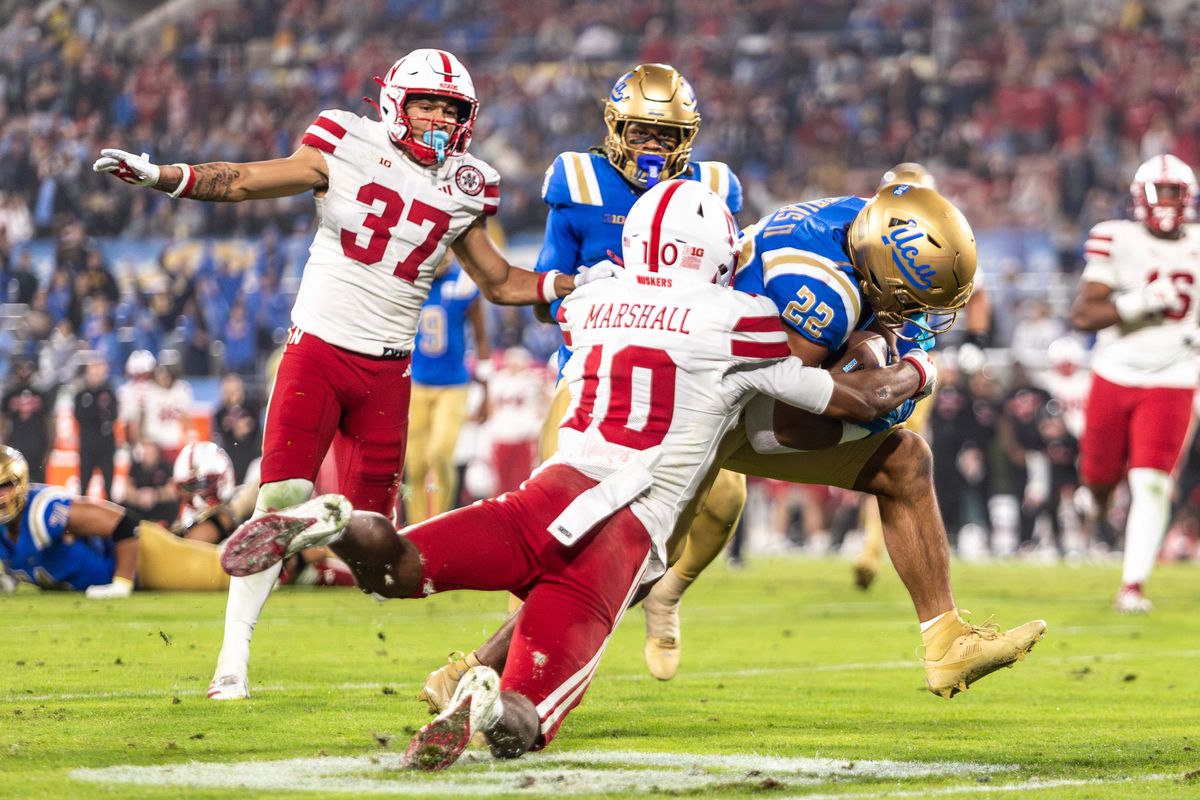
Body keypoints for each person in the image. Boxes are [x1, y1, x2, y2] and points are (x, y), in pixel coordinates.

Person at [219, 181, 933, 769]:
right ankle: (491, 702)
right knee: (525, 725)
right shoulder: (743, 320)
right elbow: (863, 398)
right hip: (616, 540)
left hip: (544, 496)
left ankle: (331, 521)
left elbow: (554, 293)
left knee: (397, 569)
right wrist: (915, 360)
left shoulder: (592, 301)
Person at [94, 47, 599, 700]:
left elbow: (499, 281)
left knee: (376, 559)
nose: (439, 118)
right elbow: (248, 179)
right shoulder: (344, 140)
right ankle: (231, 661)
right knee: (275, 500)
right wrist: (165, 175)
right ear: (394, 102)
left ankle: (317, 523)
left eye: (451, 108)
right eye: (427, 103)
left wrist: (574, 282)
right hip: (319, 354)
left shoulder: (466, 182)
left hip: (388, 375)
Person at [425, 182, 1047, 706]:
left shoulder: (857, 221)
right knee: (625, 567)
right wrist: (908, 378)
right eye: (911, 301)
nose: (919, 316)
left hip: (721, 383)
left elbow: (856, 343)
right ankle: (473, 672)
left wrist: (879, 348)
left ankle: (946, 642)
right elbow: (791, 418)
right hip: (707, 408)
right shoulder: (820, 289)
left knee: (906, 463)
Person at [531, 63, 748, 680]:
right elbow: (548, 291)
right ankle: (516, 655)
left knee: (728, 493)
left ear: (688, 140)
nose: (652, 148)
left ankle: (668, 592)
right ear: (615, 127)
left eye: (666, 136)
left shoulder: (714, 189)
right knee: (555, 507)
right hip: (599, 362)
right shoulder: (578, 182)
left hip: (682, 372)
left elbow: (733, 283)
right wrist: (582, 285)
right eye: (640, 132)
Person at [1069, 153, 1200, 613]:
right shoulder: (1115, 237)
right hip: (1115, 372)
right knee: (1099, 481)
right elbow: (1084, 314)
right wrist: (1138, 302)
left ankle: (1132, 585)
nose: (1166, 202)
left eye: (1174, 193)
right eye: (1160, 192)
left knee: (1151, 482)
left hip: (1175, 377)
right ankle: (1096, 506)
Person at [0, 445, 229, 597]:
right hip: (118, 572)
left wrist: (121, 583)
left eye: (5, 486)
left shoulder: (44, 512)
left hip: (142, 558)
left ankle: (246, 532)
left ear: (20, 483)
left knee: (226, 574)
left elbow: (125, 524)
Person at [403, 254, 490, 524]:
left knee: (439, 455)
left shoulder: (463, 283)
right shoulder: (412, 280)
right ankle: (415, 527)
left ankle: (439, 521)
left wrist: (485, 390)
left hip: (453, 385)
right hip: (416, 383)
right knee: (414, 464)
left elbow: (481, 337)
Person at [73, 356, 118, 498]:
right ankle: (82, 517)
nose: (97, 373)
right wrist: (99, 414)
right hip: (87, 444)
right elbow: (79, 416)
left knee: (109, 485)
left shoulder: (110, 392)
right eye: (93, 369)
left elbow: (114, 415)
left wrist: (95, 414)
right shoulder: (81, 393)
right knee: (84, 483)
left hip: (106, 444)